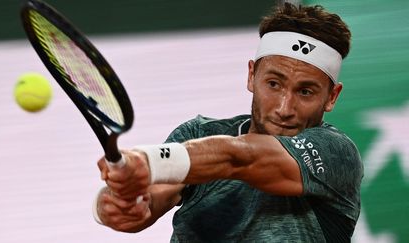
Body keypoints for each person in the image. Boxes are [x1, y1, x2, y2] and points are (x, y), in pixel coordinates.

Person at [93, 2, 363, 242]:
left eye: (305, 92)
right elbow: (151, 200)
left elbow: (240, 157)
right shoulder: (198, 132)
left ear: (331, 97)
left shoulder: (337, 153)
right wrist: (118, 204)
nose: (284, 108)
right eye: (273, 84)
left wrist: (148, 161)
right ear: (251, 75)